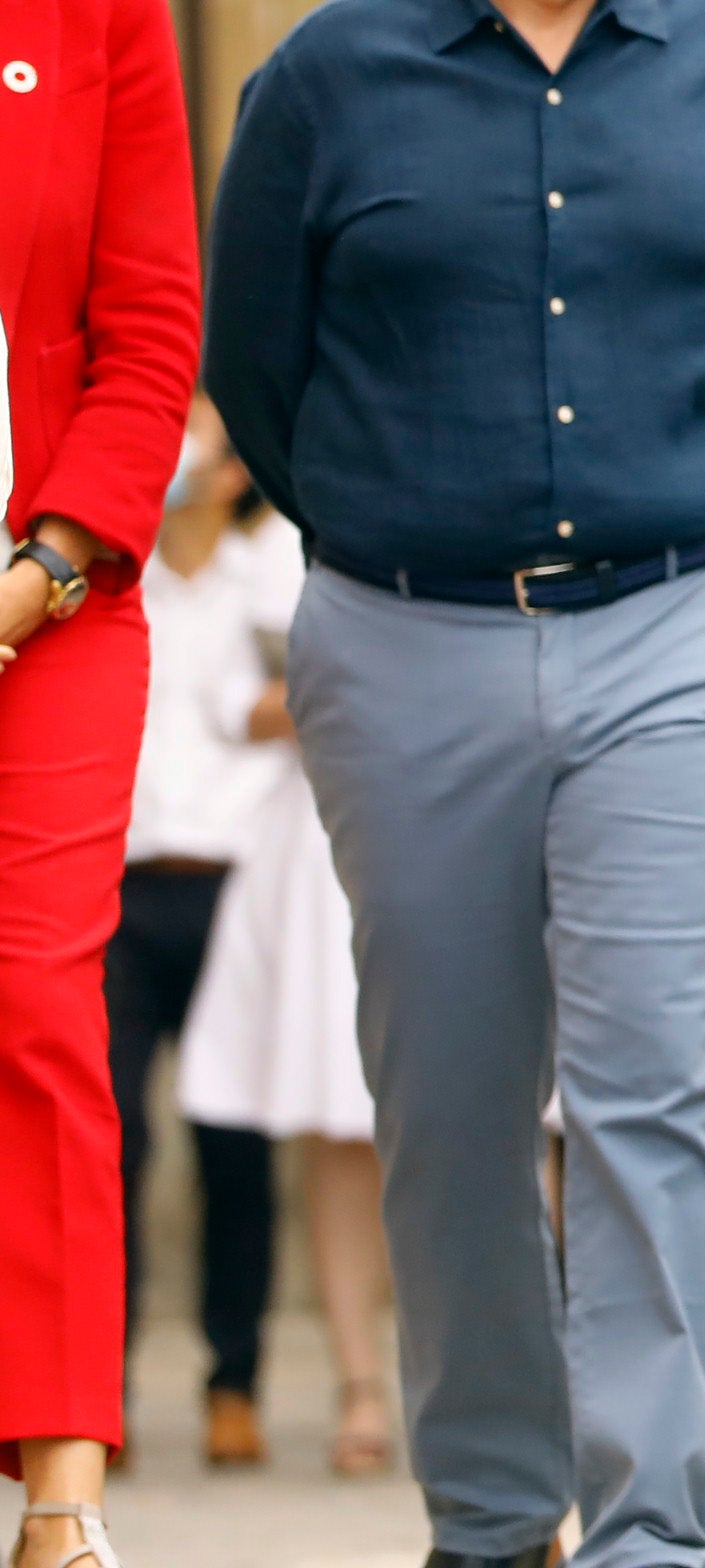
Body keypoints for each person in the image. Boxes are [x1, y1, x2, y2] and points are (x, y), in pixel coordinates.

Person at [202, 0, 705, 1568]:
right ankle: (493, 1514)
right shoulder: (328, 75)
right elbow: (261, 362)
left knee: (659, 1091)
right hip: (409, 641)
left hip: (692, 623)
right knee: (452, 1099)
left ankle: (652, 1532)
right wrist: (408, 533)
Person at [0, 0, 201, 1568]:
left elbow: (150, 326)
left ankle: (60, 1471)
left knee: (42, 1005)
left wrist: (49, 559)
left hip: (44, 606)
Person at [167, 476, 396, 1488]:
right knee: (338, 1128)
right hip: (321, 846)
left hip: (474, 810)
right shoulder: (261, 552)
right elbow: (235, 706)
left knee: (492, 1124)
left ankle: (481, 1381)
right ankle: (362, 1387)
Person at [102, 399, 304, 1474]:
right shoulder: (103, 572)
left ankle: (236, 1384)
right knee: (109, 1149)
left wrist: (276, 701)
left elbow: (326, 689)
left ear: (232, 470)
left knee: (235, 1146)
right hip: (118, 891)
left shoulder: (278, 571)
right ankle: (103, 1394)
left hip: (240, 887)